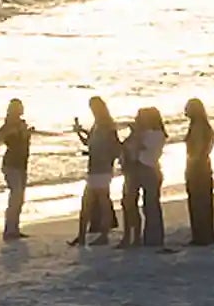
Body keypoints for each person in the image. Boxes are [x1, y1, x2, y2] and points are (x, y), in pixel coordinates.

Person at [69, 97, 122, 246]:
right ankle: (82, 236)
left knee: (99, 201)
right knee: (89, 203)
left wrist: (108, 157)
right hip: (94, 168)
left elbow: (116, 146)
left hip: (103, 168)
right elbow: (89, 143)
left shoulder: (107, 125)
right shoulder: (97, 124)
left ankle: (100, 236)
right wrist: (80, 132)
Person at [128, 106, 172, 248]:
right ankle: (142, 236)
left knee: (151, 205)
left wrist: (136, 133)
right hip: (141, 168)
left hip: (149, 168)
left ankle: (154, 238)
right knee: (142, 204)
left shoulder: (156, 134)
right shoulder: (146, 133)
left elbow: (141, 147)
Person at [0, 98, 32, 240]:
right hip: (11, 164)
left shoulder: (21, 124)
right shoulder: (9, 124)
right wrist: (12, 133)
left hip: (21, 164)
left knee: (19, 198)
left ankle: (14, 228)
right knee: (15, 197)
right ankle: (9, 230)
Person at [183, 99, 214, 247]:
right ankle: (207, 234)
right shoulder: (204, 126)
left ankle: (201, 235)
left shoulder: (197, 127)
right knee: (205, 201)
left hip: (197, 168)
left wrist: (192, 165)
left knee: (198, 201)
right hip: (204, 165)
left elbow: (195, 150)